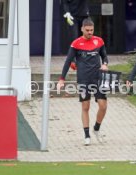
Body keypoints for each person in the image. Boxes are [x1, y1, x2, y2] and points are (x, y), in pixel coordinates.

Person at [57, 18, 109, 146]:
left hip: (98, 78)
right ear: (82, 29)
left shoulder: (99, 41)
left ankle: (96, 129)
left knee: (103, 106)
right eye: (87, 30)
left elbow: (104, 56)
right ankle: (87, 135)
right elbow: (68, 61)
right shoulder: (76, 44)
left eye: (92, 30)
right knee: (86, 107)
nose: (90, 32)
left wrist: (105, 64)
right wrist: (61, 79)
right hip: (84, 79)